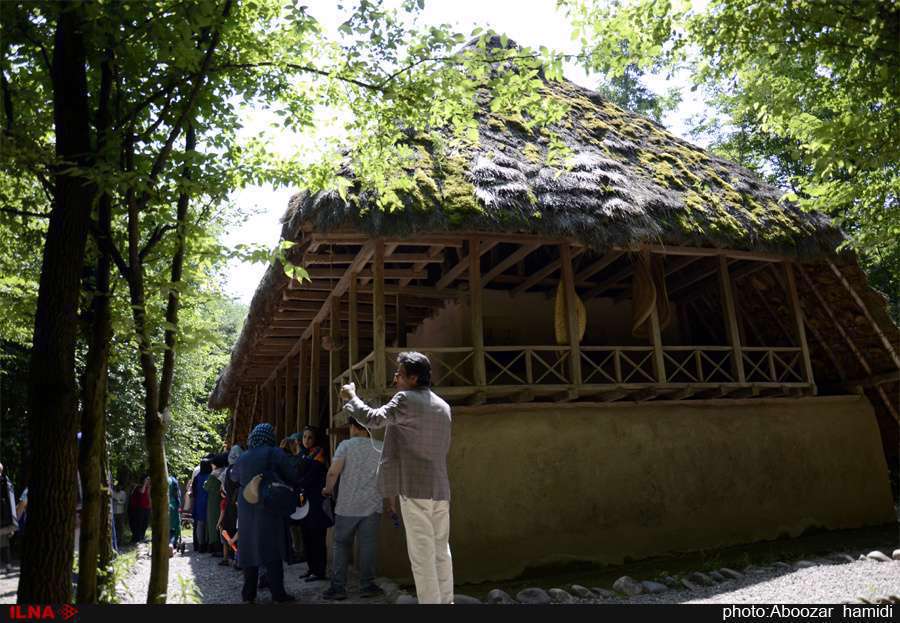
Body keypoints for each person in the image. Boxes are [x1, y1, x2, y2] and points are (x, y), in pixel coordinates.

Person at [341, 351, 453, 604]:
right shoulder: (443, 406)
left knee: (422, 556)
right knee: (441, 551)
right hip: (440, 488)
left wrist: (352, 397)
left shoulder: (406, 399)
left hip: (415, 488)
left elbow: (373, 419)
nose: (395, 378)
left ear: (413, 378)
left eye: (399, 374)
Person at [234, 423, 300, 603]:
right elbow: (292, 475)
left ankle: (248, 594)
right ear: (270, 436)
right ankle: (278, 593)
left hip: (247, 506)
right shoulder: (275, 453)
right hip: (269, 505)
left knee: (249, 548)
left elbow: (234, 477)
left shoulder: (243, 456)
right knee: (272, 549)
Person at [321, 417, 384, 600]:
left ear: (355, 427)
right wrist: (391, 505)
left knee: (341, 545)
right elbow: (387, 478)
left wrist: (327, 490)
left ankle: (338, 588)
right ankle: (367, 586)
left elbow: (333, 472)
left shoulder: (345, 446)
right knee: (368, 546)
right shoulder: (380, 447)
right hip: (372, 505)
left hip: (347, 506)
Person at [296, 425, 330, 583]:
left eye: (310, 437)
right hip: (305, 503)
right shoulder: (304, 455)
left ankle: (319, 571)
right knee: (307, 537)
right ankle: (311, 568)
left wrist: (296, 483)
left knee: (317, 538)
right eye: (304, 437)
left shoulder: (319, 456)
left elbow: (309, 478)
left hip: (317, 504)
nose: (306, 440)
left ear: (315, 439)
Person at [219, 445, 243, 568]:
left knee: (230, 530)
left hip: (229, 503)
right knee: (238, 530)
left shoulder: (227, 470)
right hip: (238, 503)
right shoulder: (240, 469)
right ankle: (238, 559)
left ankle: (230, 557)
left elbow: (222, 489)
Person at [205, 454, 228, 558]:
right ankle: (224, 548)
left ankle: (216, 548)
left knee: (213, 523)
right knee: (223, 522)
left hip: (213, 502)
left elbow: (206, 487)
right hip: (223, 499)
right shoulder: (225, 471)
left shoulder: (213, 474)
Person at [191, 460, 211, 553]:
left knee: (200, 524)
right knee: (208, 525)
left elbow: (194, 492)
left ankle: (200, 545)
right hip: (209, 502)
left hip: (199, 502)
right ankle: (208, 545)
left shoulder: (197, 478)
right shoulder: (211, 476)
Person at [0, 463, 17, 573]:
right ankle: (8, 565)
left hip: (2, 516)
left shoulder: (3, 482)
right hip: (5, 517)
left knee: (4, 542)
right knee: (4, 541)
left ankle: (8, 564)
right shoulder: (6, 481)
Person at [167, 475, 182, 555]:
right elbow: (177, 495)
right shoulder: (174, 480)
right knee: (174, 527)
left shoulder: (164, 479)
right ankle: (172, 544)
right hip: (173, 506)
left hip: (163, 505)